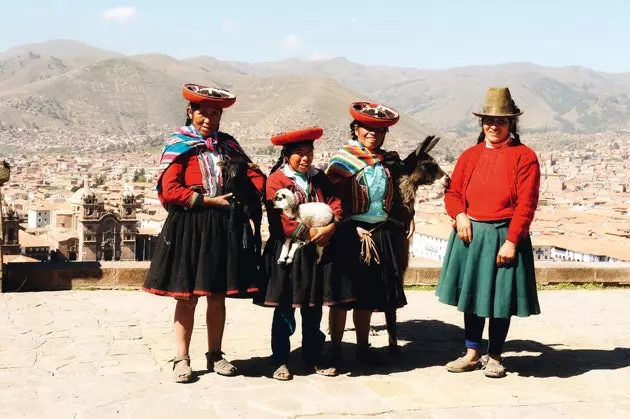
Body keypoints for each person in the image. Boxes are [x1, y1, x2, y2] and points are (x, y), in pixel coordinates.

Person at [142, 83, 266, 383]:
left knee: (217, 295)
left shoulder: (229, 145)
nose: (208, 119)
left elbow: (255, 176)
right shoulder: (179, 146)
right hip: (191, 226)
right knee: (187, 297)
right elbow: (170, 190)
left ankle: (215, 354)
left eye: (214, 113)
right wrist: (206, 200)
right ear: (190, 112)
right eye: (202, 113)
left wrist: (250, 192)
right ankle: (182, 358)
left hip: (224, 227)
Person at [436, 87, 541, 378]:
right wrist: (459, 215)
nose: (493, 126)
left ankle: (494, 355)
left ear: (511, 124)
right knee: (472, 295)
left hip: (503, 235)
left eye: (500, 121)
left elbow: (526, 204)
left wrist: (511, 241)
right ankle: (472, 352)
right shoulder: (469, 156)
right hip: (471, 236)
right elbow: (453, 193)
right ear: (481, 124)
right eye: (488, 121)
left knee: (499, 298)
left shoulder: (524, 157)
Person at [324, 102, 410, 368]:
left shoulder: (386, 162)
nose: (373, 133)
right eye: (368, 128)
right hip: (349, 234)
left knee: (367, 296)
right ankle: (335, 351)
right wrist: (350, 225)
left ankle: (363, 348)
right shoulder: (342, 162)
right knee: (342, 297)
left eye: (380, 130)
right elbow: (332, 199)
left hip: (379, 233)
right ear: (356, 129)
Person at [258, 127, 342, 380]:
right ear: (287, 155)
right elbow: (280, 220)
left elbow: (335, 202)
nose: (306, 158)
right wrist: (310, 234)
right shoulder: (277, 181)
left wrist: (331, 225)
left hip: (315, 252)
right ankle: (281, 359)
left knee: (313, 306)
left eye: (309, 152)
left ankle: (313, 356)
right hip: (289, 252)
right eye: (299, 154)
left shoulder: (319, 178)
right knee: (286, 306)